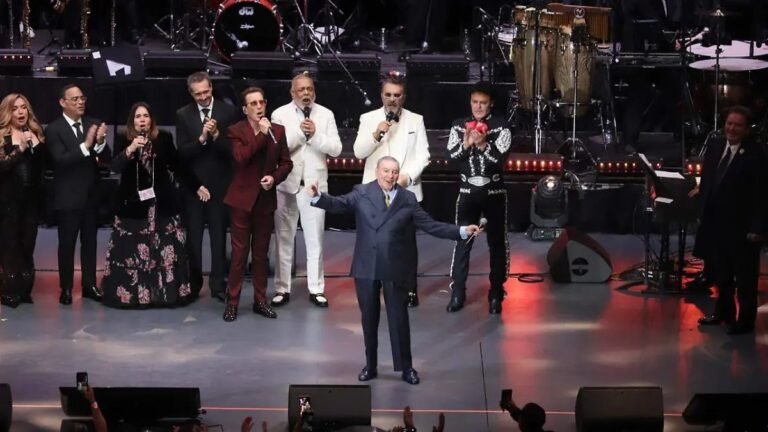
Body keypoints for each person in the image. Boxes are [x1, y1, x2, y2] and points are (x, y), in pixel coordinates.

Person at [308, 156, 481, 384]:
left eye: (394, 172)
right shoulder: (362, 192)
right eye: (386, 171)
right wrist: (318, 197)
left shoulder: (407, 198)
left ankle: (406, 368)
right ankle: (370, 366)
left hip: (395, 266)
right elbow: (338, 204)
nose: (390, 176)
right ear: (377, 171)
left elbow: (430, 225)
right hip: (367, 265)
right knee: (369, 320)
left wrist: (461, 231)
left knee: (399, 319)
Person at [101, 102, 211, 308]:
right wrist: (131, 149)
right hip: (133, 206)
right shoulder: (123, 138)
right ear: (132, 121)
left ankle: (163, 295)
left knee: (163, 250)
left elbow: (178, 165)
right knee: (135, 251)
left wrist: (197, 186)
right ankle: (134, 296)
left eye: (146, 116)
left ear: (151, 120)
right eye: (138, 117)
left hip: (162, 204)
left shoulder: (164, 139)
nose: (142, 120)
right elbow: (115, 167)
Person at [353, 73, 430, 308]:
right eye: (388, 94)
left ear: (403, 97)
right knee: (372, 242)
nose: (392, 99)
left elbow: (423, 155)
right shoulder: (368, 119)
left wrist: (406, 177)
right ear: (381, 95)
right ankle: (373, 286)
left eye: (397, 95)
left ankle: (409, 289)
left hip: (404, 191)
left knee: (405, 244)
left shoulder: (415, 120)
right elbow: (359, 152)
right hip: (373, 194)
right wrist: (376, 134)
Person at [270, 72, 343, 308]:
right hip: (286, 185)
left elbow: (336, 149)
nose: (306, 93)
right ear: (292, 92)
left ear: (314, 91)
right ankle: (282, 288)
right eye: (301, 89)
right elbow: (277, 148)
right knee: (284, 238)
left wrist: (315, 135)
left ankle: (317, 288)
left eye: (309, 89)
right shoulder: (279, 114)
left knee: (315, 239)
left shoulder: (326, 114)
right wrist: (302, 134)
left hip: (314, 187)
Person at [692, 106, 767, 335]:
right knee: (721, 274)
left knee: (745, 278)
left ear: (747, 129)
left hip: (743, 228)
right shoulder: (715, 146)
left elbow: (762, 195)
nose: (732, 129)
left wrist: (758, 228)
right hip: (717, 225)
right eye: (729, 123)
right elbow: (708, 179)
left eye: (737, 125)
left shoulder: (756, 154)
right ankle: (723, 313)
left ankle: (745, 321)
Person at [222, 87, 292, 322]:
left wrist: (274, 178)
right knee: (239, 254)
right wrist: (262, 135)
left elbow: (286, 163)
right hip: (241, 200)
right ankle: (232, 302)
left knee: (261, 255)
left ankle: (260, 301)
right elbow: (241, 157)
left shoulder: (278, 131)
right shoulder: (235, 131)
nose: (259, 107)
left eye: (261, 102)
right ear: (245, 109)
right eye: (253, 103)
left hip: (265, 200)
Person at [446, 82, 511, 314]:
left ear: (491, 103)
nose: (479, 107)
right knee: (462, 241)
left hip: (494, 193)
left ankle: (496, 293)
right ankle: (457, 292)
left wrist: (483, 145)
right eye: (475, 102)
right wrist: (466, 145)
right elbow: (451, 158)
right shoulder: (458, 126)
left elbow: (500, 161)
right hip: (467, 193)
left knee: (497, 243)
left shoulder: (502, 126)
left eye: (483, 103)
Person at [176, 71, 240, 302]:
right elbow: (182, 153)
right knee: (193, 238)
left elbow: (233, 151)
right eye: (198, 94)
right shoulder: (183, 114)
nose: (203, 97)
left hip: (220, 185)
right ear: (191, 93)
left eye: (206, 91)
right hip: (194, 187)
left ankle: (218, 284)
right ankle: (194, 284)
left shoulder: (228, 112)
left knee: (218, 236)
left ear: (211, 87)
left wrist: (217, 136)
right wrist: (202, 138)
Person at [46, 84, 111, 306]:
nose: (80, 102)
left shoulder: (93, 123)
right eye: (74, 99)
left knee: (90, 242)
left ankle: (89, 285)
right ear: (62, 102)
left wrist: (100, 144)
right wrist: (86, 146)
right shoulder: (53, 129)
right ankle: (66, 287)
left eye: (82, 98)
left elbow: (106, 158)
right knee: (67, 244)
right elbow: (60, 160)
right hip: (67, 197)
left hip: (91, 195)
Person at [0, 93, 45, 308]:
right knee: (10, 244)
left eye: (24, 107)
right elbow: (2, 167)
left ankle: (25, 288)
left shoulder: (34, 134)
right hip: (8, 202)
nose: (20, 112)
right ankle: (10, 290)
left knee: (28, 244)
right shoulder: (3, 136)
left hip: (31, 202)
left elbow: (43, 168)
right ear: (8, 112)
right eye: (15, 108)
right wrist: (20, 149)